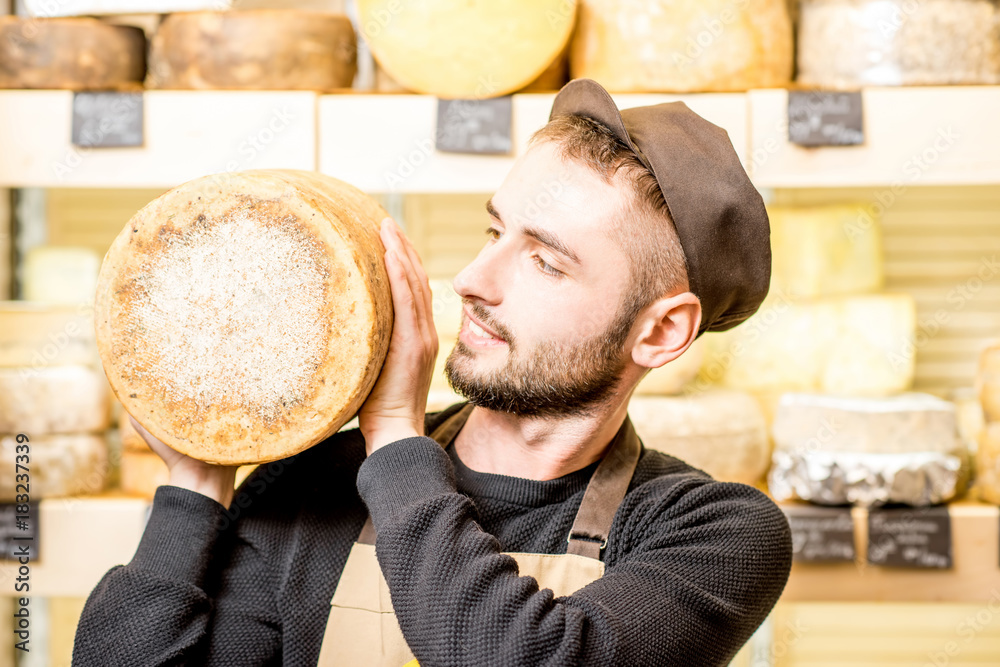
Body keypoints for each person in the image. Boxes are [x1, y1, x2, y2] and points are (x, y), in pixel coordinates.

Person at [73, 78, 791, 666]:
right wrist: (193, 485)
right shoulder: (314, 485)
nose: (473, 278)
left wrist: (391, 434)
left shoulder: (711, 531)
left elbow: (522, 656)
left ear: (661, 331)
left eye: (544, 260)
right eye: (493, 230)